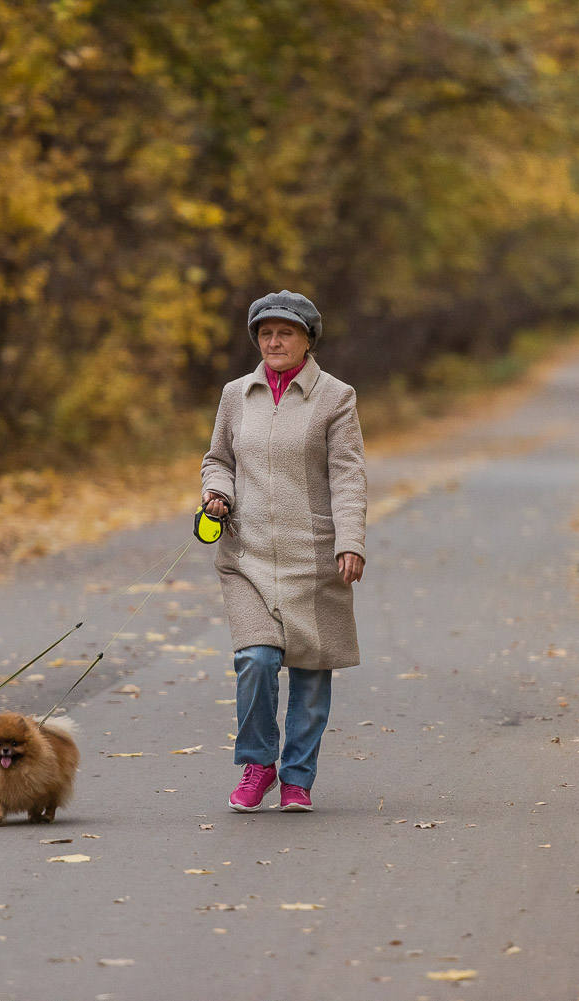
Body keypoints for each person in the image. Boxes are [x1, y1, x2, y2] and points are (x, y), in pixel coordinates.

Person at [200, 290, 367, 814]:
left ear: (307, 340)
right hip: (247, 557)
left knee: (311, 675)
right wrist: (217, 492)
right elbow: (217, 459)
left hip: (312, 556)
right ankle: (258, 764)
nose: (274, 342)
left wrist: (350, 541)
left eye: (285, 333)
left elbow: (348, 476)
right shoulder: (236, 394)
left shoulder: (335, 397)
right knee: (255, 659)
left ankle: (297, 778)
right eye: (266, 333)